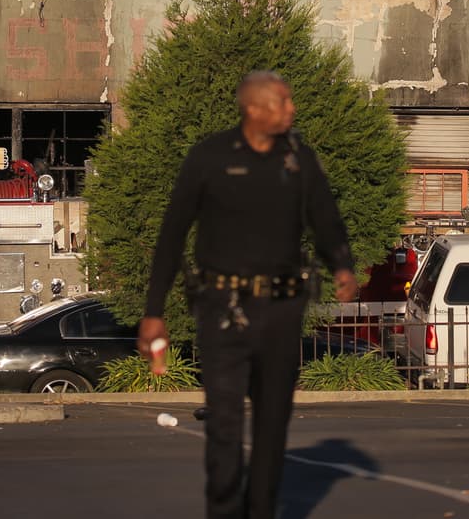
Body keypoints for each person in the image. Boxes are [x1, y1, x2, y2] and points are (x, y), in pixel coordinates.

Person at [139, 70, 359, 519]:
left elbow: (326, 219)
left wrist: (341, 265)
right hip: (222, 307)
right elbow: (172, 234)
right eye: (283, 101)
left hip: (281, 309)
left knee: (272, 423)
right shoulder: (210, 157)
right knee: (223, 422)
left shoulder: (299, 159)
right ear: (254, 109)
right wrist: (154, 312)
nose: (292, 108)